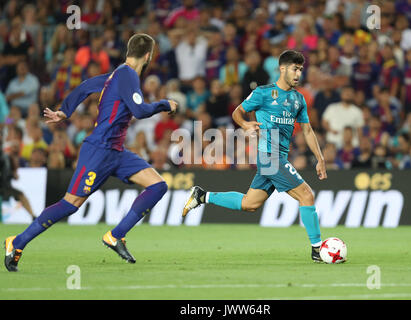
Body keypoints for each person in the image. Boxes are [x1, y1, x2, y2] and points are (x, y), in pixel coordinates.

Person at [4, 34, 178, 272]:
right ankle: (17, 242)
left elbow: (86, 86)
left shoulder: (117, 75)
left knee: (158, 185)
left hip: (116, 151)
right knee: (70, 204)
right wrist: (164, 104)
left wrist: (65, 111)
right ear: (148, 56)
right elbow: (138, 110)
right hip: (98, 150)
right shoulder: (127, 75)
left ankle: (115, 236)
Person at [182, 50, 328, 263]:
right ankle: (317, 250)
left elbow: (307, 131)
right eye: (295, 69)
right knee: (307, 195)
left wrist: (320, 158)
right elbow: (237, 112)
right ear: (283, 69)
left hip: (279, 157)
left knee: (250, 204)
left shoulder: (298, 99)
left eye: (300, 70)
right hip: (269, 157)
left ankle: (202, 196)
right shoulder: (263, 93)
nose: (298, 74)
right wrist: (244, 124)